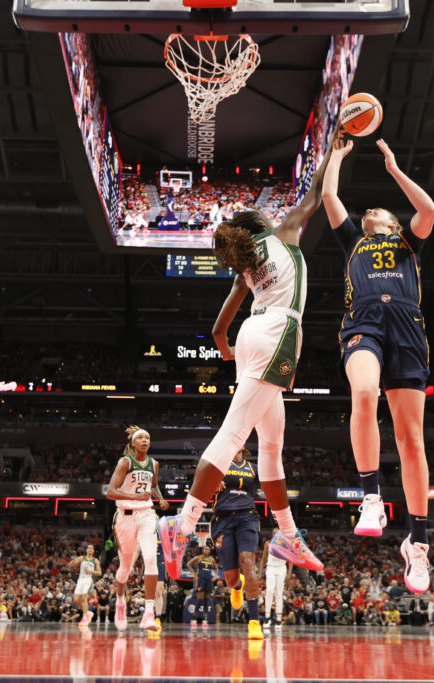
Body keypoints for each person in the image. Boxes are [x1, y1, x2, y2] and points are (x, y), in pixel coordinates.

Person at [158, 139, 339, 582]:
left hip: (253, 334)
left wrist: (229, 350)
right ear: (263, 221)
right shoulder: (281, 234)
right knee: (234, 435)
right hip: (276, 331)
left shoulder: (246, 265)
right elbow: (315, 195)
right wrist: (336, 153)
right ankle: (180, 528)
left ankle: (288, 535)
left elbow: (220, 328)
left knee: (272, 446)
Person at [321, 136, 434, 594]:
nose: (369, 211)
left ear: (392, 223)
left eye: (379, 211)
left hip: (407, 329)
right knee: (365, 393)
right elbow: (330, 196)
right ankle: (371, 497)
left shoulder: (409, 241)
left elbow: (427, 210)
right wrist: (336, 156)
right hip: (364, 324)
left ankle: (418, 543)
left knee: (411, 441)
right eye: (366, 211)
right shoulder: (352, 240)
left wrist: (393, 168)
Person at [105, 425, 169, 632]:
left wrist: (159, 498)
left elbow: (153, 485)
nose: (144, 440)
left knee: (151, 559)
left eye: (147, 438)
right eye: (140, 437)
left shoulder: (154, 464)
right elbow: (111, 492)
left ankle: (149, 613)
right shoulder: (125, 462)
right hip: (125, 516)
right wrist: (133, 497)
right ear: (132, 443)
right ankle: (121, 602)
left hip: (146, 515)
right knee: (125, 569)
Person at [208, 447, 264, 639]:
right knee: (231, 578)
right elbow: (200, 487)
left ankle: (254, 621)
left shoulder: (253, 467)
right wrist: (212, 484)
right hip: (222, 520)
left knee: (248, 561)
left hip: (247, 517)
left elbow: (272, 483)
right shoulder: (218, 466)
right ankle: (237, 587)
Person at [260, 531, 290, 630]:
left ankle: (278, 619)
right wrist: (260, 572)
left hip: (281, 568)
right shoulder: (268, 544)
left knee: (279, 593)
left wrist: (289, 573)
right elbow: (264, 559)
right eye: (274, 532)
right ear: (272, 535)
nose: (276, 534)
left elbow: (291, 559)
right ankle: (267, 617)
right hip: (271, 568)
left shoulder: (285, 544)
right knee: (269, 591)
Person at [67, 543, 102, 626]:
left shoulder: (95, 560)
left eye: (91, 548)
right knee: (76, 600)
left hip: (88, 579)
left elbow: (100, 573)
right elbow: (71, 564)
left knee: (84, 597)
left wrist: (91, 571)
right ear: (86, 550)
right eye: (89, 548)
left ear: (93, 551)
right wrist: (72, 563)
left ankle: (85, 617)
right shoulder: (82, 558)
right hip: (80, 579)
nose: (90, 549)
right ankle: (87, 612)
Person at [186, 545, 218, 628]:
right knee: (200, 600)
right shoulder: (198, 557)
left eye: (208, 549)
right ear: (202, 550)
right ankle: (194, 619)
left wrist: (215, 576)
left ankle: (205, 619)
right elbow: (189, 564)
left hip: (209, 580)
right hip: (200, 579)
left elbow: (216, 568)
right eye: (205, 549)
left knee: (207, 600)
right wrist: (194, 574)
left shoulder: (212, 559)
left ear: (210, 551)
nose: (206, 550)